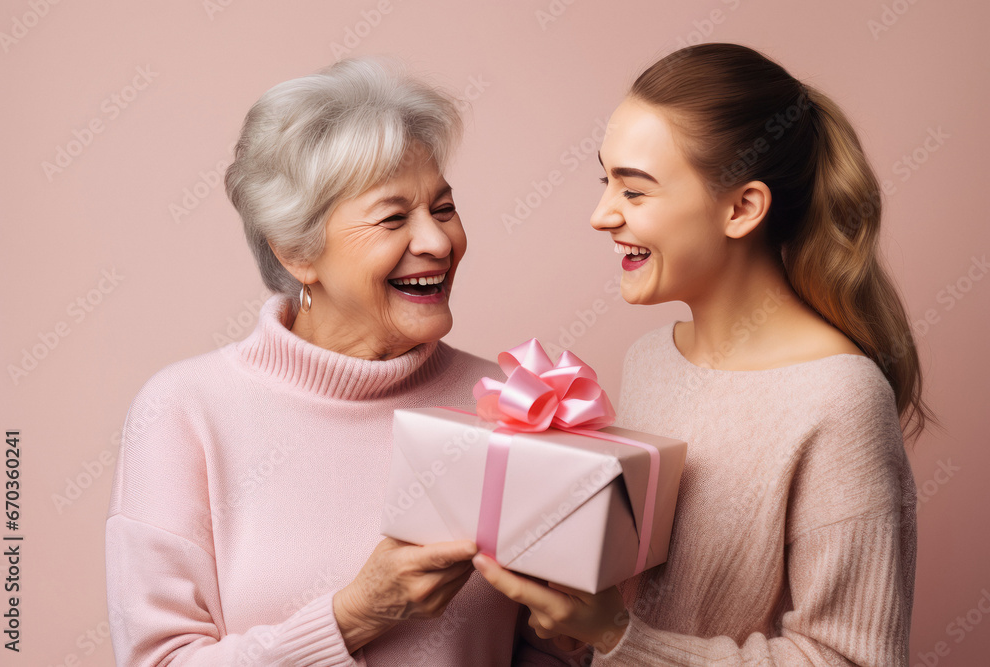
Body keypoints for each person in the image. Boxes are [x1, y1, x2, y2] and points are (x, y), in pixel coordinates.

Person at [106, 57, 587, 666]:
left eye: (442, 209)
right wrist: (354, 614)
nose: (438, 242)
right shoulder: (184, 411)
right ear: (298, 251)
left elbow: (548, 651)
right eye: (393, 218)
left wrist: (575, 628)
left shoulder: (510, 401)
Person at [475, 43, 932, 666]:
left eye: (634, 192)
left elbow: (852, 660)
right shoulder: (649, 361)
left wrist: (619, 636)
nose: (600, 215)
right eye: (604, 180)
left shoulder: (838, 399)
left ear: (742, 208)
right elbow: (635, 603)